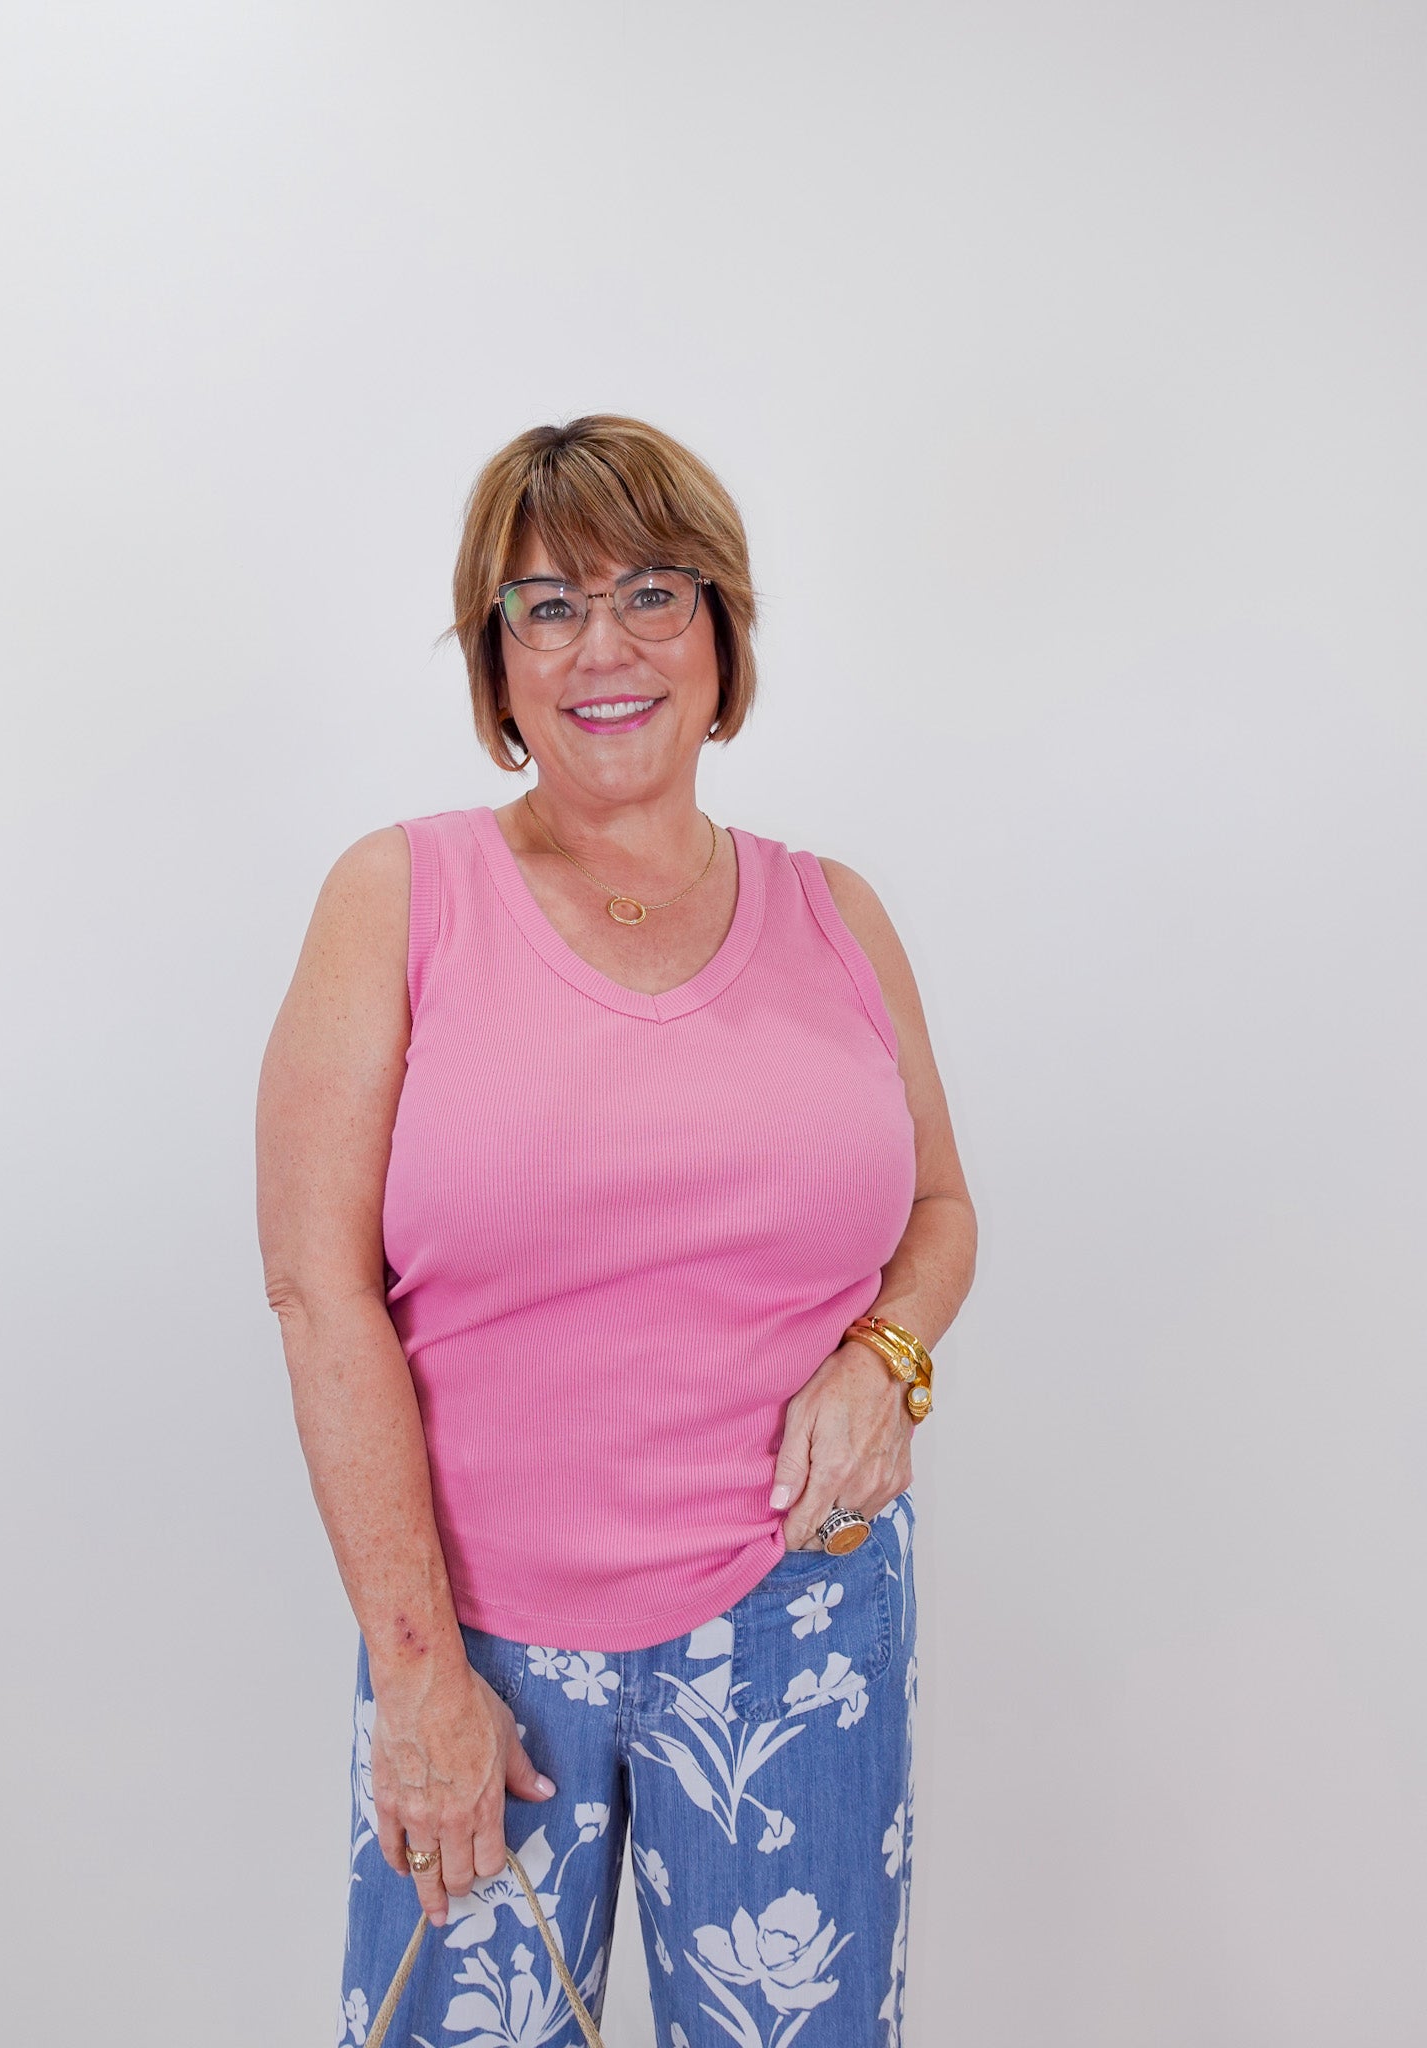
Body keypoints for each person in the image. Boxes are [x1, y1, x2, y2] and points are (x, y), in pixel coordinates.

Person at [256, 414, 977, 2047]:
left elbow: (940, 1209)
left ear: (724, 640)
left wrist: (887, 1355)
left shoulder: (834, 910)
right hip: (484, 1652)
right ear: (496, 666)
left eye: (655, 592)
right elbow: (318, 1292)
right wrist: (418, 1671)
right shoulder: (402, 896)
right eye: (547, 605)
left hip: (803, 1622)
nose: (607, 646)